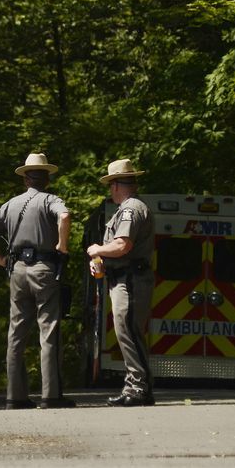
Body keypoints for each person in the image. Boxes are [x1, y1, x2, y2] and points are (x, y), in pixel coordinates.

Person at [0, 152, 74, 410]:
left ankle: (15, 396)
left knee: (17, 333)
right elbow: (64, 217)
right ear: (47, 179)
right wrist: (62, 246)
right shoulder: (50, 200)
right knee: (48, 331)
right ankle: (51, 395)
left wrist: (0, 260)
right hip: (44, 269)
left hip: (17, 270)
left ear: (25, 180)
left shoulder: (10, 204)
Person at [86, 158, 156, 407]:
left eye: (110, 186)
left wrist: (97, 249)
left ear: (115, 185)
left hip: (130, 280)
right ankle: (138, 387)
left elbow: (122, 245)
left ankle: (138, 388)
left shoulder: (129, 209)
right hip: (126, 277)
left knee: (129, 332)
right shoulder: (130, 208)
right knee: (129, 332)